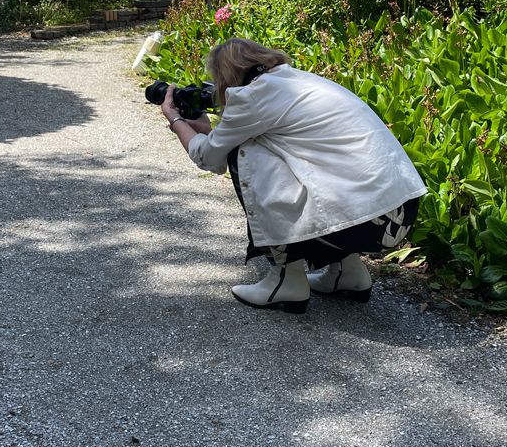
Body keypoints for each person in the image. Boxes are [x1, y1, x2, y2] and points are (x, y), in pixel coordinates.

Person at [160, 37, 426, 313]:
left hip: (364, 221)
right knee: (309, 160)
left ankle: (285, 280)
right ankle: (346, 272)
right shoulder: (300, 80)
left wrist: (175, 119)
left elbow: (208, 156)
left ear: (225, 77)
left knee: (245, 150)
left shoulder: (252, 95)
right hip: (400, 212)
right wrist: (209, 130)